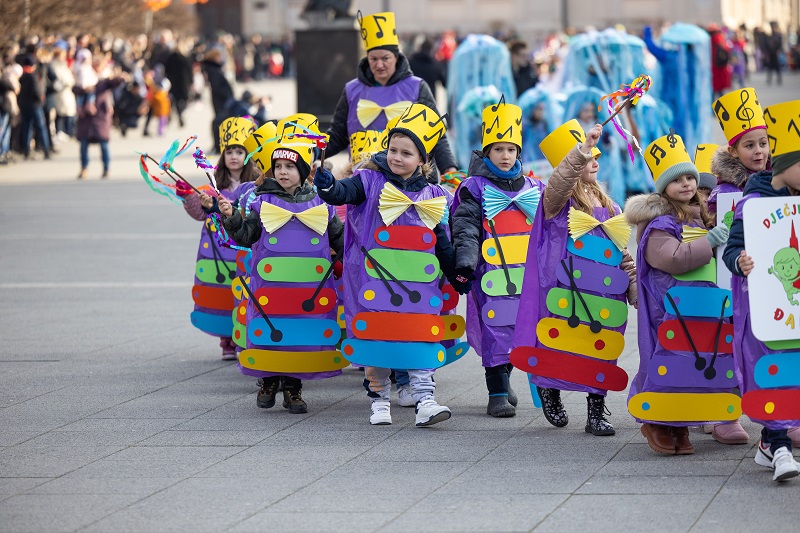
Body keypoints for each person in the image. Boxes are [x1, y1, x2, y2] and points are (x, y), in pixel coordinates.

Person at [314, 103, 469, 426]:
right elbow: (340, 193)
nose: (397, 157)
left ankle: (425, 399)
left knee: (419, 335)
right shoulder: (368, 180)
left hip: (417, 284)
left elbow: (441, 239)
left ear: (423, 160)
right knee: (376, 337)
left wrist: (456, 273)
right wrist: (327, 183)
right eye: (393, 150)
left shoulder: (432, 194)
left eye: (406, 153)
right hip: (373, 280)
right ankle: (379, 401)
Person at [511, 120, 637, 436]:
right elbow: (559, 182)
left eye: (595, 156)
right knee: (559, 342)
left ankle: (596, 411)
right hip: (566, 288)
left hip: (604, 291)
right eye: (586, 157)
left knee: (601, 347)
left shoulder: (611, 205)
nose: (594, 161)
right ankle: (549, 389)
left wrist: (633, 285)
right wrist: (582, 150)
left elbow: (622, 251)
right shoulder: (556, 201)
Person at [219, 117, 345, 413]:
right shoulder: (261, 202)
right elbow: (246, 235)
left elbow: (340, 239)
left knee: (298, 333)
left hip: (307, 286)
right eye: (278, 166)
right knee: (271, 327)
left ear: (303, 170)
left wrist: (349, 259)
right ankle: (268, 380)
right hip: (271, 285)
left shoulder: (321, 204)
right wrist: (232, 217)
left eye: (290, 166)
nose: (283, 172)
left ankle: (293, 387)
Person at [626, 133, 732, 455]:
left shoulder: (700, 214)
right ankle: (657, 421)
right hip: (669, 307)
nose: (686, 184)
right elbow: (672, 258)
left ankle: (681, 422)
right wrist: (709, 242)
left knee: (692, 362)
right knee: (668, 359)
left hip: (698, 306)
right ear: (663, 188)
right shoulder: (660, 222)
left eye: (689, 177)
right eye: (676, 180)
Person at [450, 98, 544, 417]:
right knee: (495, 326)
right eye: (498, 149)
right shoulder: (473, 187)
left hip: (525, 273)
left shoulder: (534, 187)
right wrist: (465, 262)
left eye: (511, 149)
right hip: (490, 272)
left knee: (521, 328)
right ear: (486, 152)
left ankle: (506, 376)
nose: (505, 156)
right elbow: (464, 226)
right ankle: (497, 393)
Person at [722, 98, 800, 482]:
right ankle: (778, 444)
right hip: (763, 307)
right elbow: (731, 250)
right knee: (771, 369)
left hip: (794, 306)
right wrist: (740, 261)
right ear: (784, 166)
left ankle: (771, 443)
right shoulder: (752, 203)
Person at [325, 11, 457, 179]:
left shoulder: (417, 87)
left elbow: (435, 133)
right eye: (373, 59)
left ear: (396, 57)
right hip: (362, 179)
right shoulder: (352, 90)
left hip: (411, 181)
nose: (379, 64)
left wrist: (449, 168)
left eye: (385, 58)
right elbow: (337, 135)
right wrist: (310, 152)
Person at [175, 117, 259, 359]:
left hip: (245, 248)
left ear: (248, 155)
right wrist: (190, 198)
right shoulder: (213, 185)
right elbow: (199, 213)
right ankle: (227, 340)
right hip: (218, 253)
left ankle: (244, 336)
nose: (233, 157)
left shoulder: (256, 184)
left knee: (245, 292)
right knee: (222, 293)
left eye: (239, 151)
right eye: (229, 152)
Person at [74, 58, 125, 179]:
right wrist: (84, 89)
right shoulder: (84, 78)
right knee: (84, 144)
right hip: (86, 117)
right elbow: (75, 89)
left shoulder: (104, 81)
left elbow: (114, 82)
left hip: (101, 117)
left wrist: (121, 78)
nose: (97, 68)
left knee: (104, 144)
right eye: (95, 65)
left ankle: (106, 168)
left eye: (99, 66)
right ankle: (84, 168)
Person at [17, 55, 50, 160]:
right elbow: (37, 91)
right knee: (41, 127)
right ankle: (46, 150)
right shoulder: (33, 77)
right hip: (35, 105)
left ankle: (26, 151)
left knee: (26, 127)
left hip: (23, 105)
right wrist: (41, 98)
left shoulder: (21, 76)